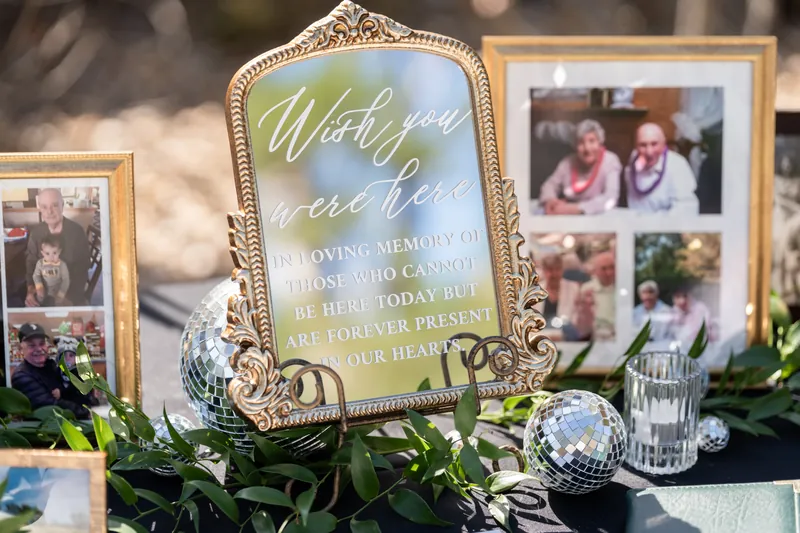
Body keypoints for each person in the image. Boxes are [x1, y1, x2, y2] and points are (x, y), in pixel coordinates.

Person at [538, 119, 622, 215]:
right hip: (570, 221)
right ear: (575, 146)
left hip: (600, 219)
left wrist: (572, 209)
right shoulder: (568, 162)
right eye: (581, 143)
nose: (587, 148)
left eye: (592, 141)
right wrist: (550, 201)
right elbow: (550, 184)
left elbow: (610, 199)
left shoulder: (610, 161)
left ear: (600, 142)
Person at [10, 323, 91, 419]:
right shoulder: (22, 376)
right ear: (21, 348)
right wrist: (85, 412)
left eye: (42, 343)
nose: (39, 349)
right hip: (43, 429)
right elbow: (51, 406)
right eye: (31, 345)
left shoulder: (52, 365)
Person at [25, 189, 90, 307]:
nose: (49, 211)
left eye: (54, 205)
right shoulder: (36, 233)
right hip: (42, 293)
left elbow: (82, 271)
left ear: (62, 206)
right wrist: (30, 291)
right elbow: (31, 265)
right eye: (44, 207)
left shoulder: (77, 232)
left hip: (70, 293)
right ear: (40, 209)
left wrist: (69, 299)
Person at [623, 123, 699, 214]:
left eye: (654, 144)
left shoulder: (677, 165)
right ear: (636, 146)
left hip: (667, 225)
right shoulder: (633, 159)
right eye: (643, 145)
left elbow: (687, 209)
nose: (649, 152)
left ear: (663, 144)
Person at [533, 252, 582, 339]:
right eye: (550, 269)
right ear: (543, 270)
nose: (554, 274)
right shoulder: (535, 291)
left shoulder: (573, 288)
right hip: (541, 338)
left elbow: (576, 318)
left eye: (558, 269)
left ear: (562, 270)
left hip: (566, 337)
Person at [573, 249, 616, 341]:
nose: (609, 272)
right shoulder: (586, 290)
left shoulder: (621, 289)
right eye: (604, 268)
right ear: (595, 271)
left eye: (612, 267)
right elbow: (580, 326)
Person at [32, 235, 70, 307]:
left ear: (59, 252)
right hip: (43, 288)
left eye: (54, 253)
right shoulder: (40, 263)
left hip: (57, 290)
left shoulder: (62, 265)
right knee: (37, 301)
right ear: (42, 253)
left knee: (59, 304)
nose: (51, 257)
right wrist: (39, 286)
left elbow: (66, 280)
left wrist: (61, 293)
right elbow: (36, 275)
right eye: (47, 253)